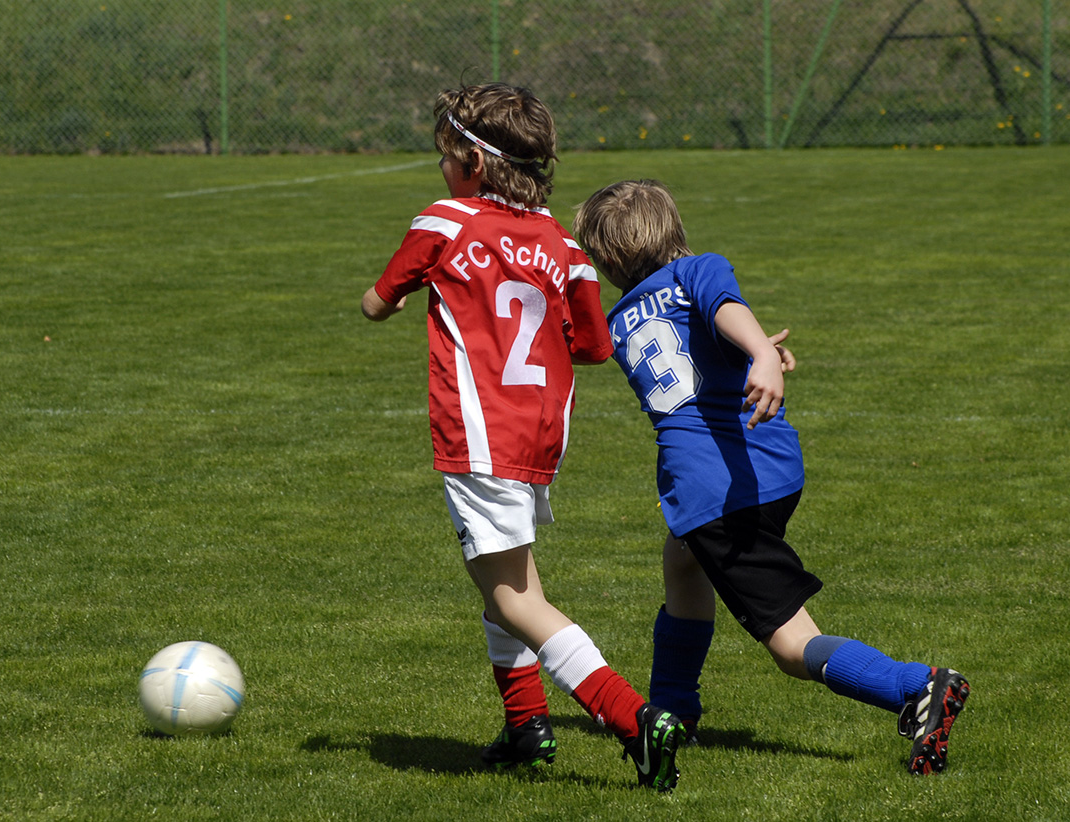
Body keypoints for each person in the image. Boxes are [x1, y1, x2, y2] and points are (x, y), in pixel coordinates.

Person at [571, 179, 970, 776]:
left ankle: (917, 686)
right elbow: (720, 310)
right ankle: (673, 711)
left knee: (790, 645)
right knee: (682, 560)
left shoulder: (621, 321)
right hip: (764, 469)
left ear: (606, 259)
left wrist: (756, 352)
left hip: (713, 495)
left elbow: (715, 321)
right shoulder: (698, 271)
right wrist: (757, 349)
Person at [360, 86, 681, 790]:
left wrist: (412, 294)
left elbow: (375, 303)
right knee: (501, 580)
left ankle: (633, 719)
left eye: (445, 156)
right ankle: (526, 727)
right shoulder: (565, 247)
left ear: (474, 163)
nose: (440, 169)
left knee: (514, 597)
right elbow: (592, 348)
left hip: (479, 434)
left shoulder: (445, 221)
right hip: (539, 436)